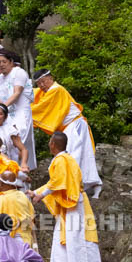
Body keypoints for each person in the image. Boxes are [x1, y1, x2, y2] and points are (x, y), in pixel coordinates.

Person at [30, 131, 102, 262]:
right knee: (68, 233)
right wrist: (36, 192)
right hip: (70, 202)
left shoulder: (62, 159)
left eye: (50, 142)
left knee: (79, 233)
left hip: (74, 201)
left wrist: (40, 195)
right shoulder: (64, 158)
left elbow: (58, 181)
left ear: (53, 144)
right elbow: (55, 182)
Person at [31, 69, 102, 197]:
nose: (41, 86)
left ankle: (78, 184)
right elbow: (33, 94)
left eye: (43, 82)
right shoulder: (47, 92)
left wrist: (25, 112)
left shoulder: (56, 90)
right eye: (38, 83)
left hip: (75, 126)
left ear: (50, 78)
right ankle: (85, 184)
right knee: (79, 157)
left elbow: (39, 107)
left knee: (72, 157)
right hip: (71, 127)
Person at [0, 51, 36, 170]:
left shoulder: (18, 72)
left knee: (18, 143)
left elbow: (17, 93)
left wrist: (2, 108)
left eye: (4, 62)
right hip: (5, 117)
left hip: (20, 114)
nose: (1, 65)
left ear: (11, 62)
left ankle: (21, 170)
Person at [0, 170, 35, 249]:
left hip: (5, 243)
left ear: (1, 184)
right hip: (25, 240)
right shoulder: (23, 197)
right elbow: (32, 219)